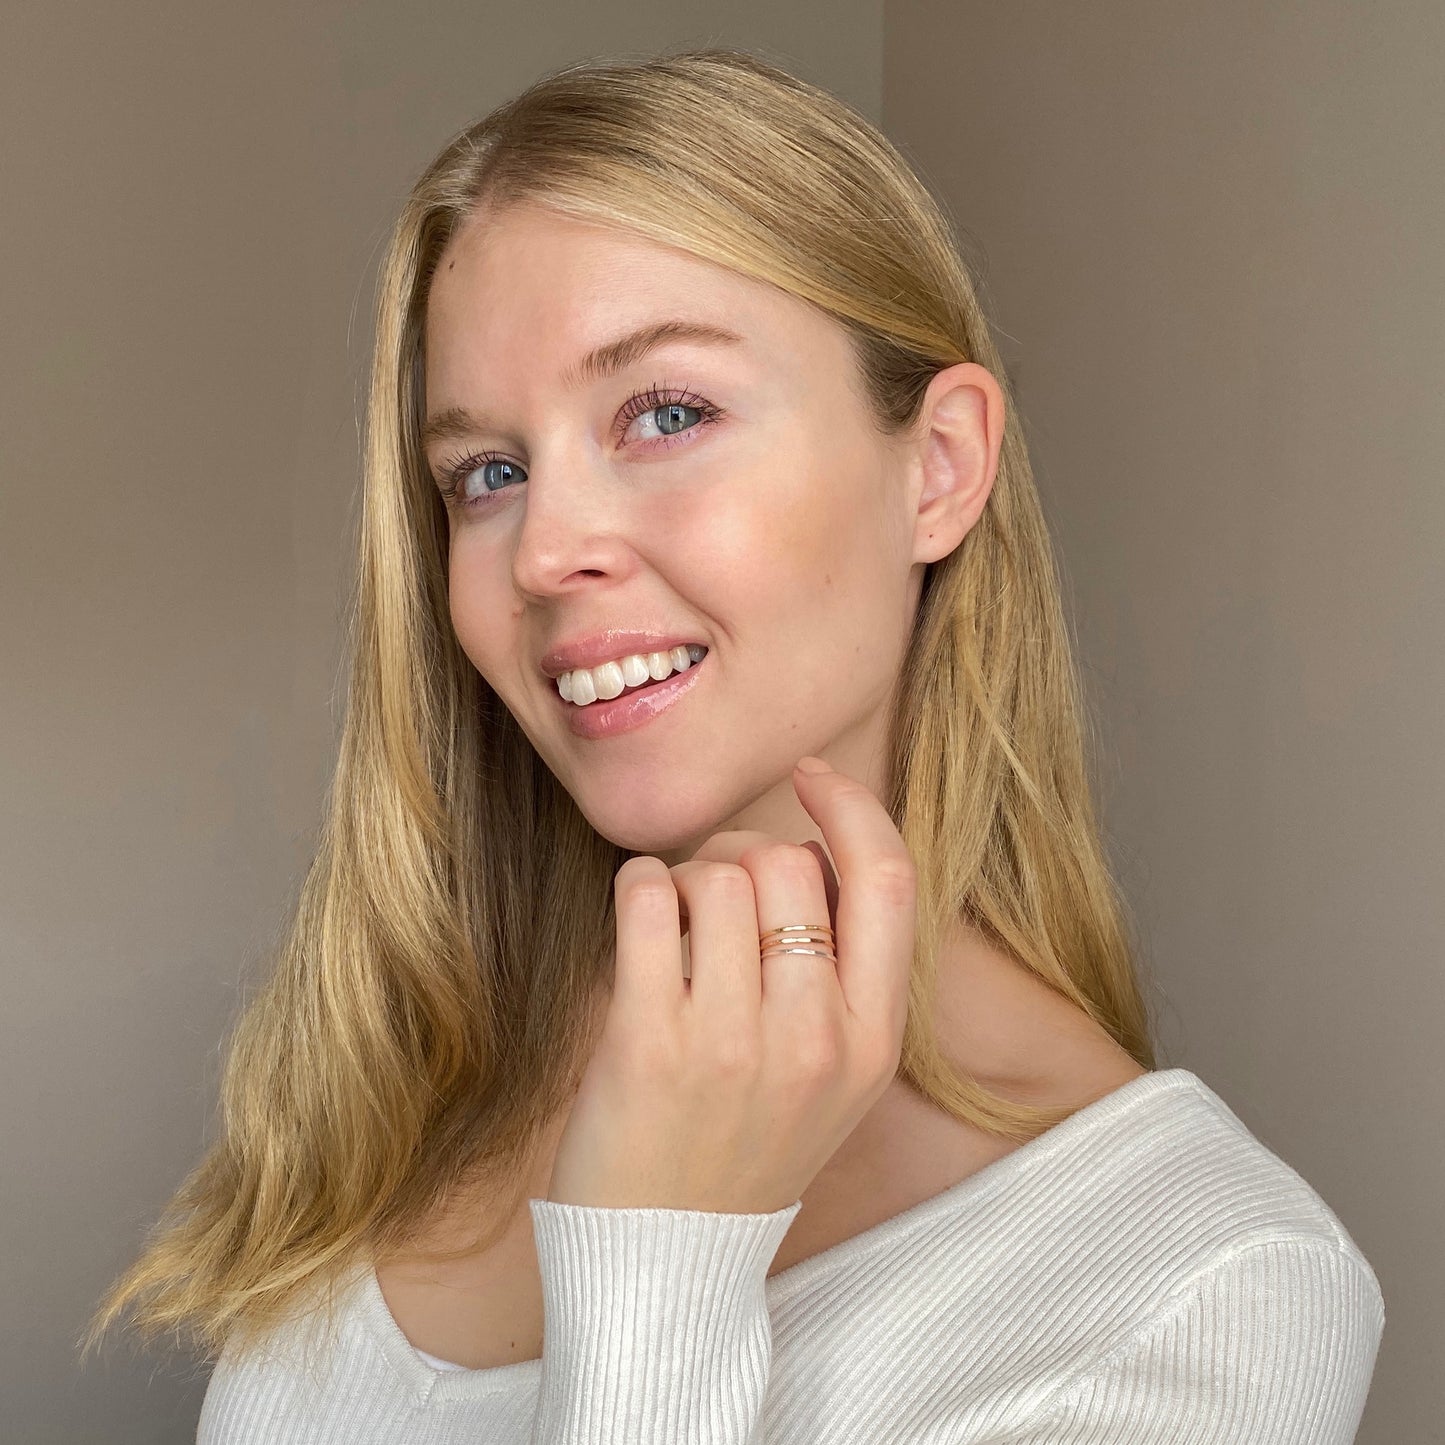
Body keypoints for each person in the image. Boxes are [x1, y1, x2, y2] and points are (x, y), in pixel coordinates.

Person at [84, 47, 1384, 1443]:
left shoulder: (1203, 1285)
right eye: (487, 473)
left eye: (666, 413)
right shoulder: (415, 1064)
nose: (547, 550)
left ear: (937, 466)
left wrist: (658, 1258)